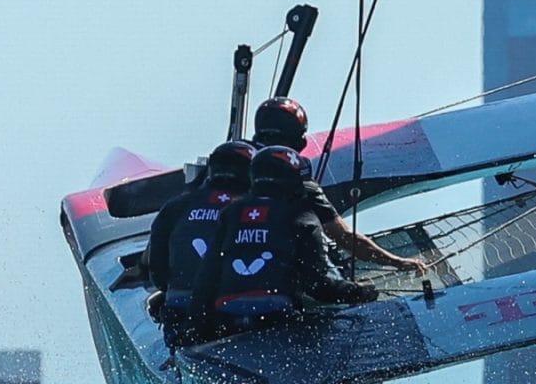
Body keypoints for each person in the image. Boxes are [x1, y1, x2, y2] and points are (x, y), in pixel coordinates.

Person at [195, 146, 383, 333]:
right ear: (294, 181)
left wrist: (193, 330)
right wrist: (358, 292)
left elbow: (206, 277)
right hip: (279, 320)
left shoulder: (229, 214)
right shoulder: (302, 216)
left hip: (225, 321)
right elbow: (318, 286)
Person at [250, 97, 425, 272]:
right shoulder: (300, 184)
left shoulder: (234, 163)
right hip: (279, 277)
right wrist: (397, 262)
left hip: (228, 277)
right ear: (299, 141)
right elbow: (343, 236)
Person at [144, 139, 254, 346]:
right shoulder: (256, 212)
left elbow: (157, 274)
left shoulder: (175, 207)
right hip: (237, 316)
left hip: (181, 311)